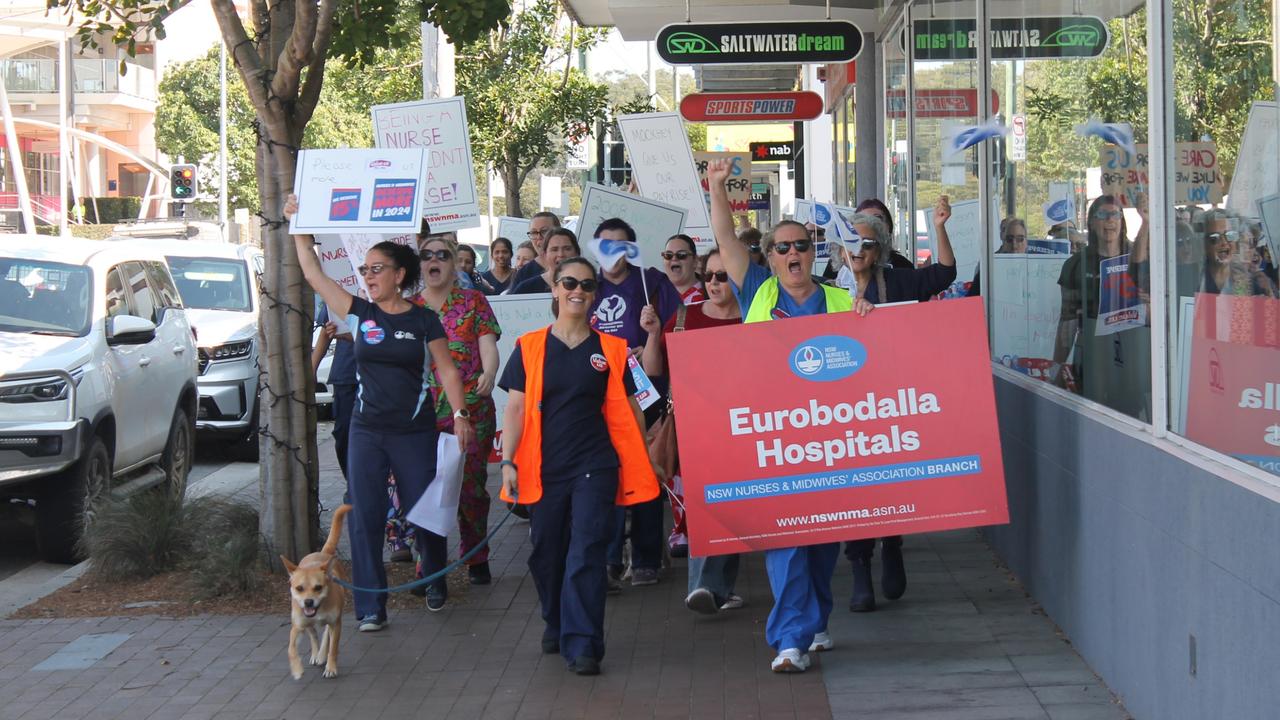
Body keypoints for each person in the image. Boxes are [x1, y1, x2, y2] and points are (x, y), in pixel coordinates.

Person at [709, 159, 874, 674]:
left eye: (801, 244)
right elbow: (725, 238)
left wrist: (870, 321)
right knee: (785, 543)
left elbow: (877, 370)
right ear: (771, 258)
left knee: (822, 545)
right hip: (776, 447)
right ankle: (789, 642)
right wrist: (716, 186)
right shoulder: (756, 288)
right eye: (782, 247)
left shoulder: (843, 299)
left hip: (831, 448)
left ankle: (815, 621)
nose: (792, 253)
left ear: (812, 251)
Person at [284, 194, 475, 632]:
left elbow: (446, 369)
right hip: (367, 431)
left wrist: (461, 414)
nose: (367, 276)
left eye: (376, 269)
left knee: (423, 510)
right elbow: (312, 272)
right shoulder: (360, 311)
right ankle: (370, 608)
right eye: (364, 270)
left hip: (413, 431)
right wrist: (298, 224)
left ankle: (433, 579)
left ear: (398, 274)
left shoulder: (425, 320)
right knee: (364, 513)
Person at [498, 256, 661, 676]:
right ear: (554, 288)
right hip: (544, 468)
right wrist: (508, 462)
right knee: (546, 553)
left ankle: (584, 643)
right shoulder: (529, 346)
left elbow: (632, 408)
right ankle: (555, 619)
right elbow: (515, 409)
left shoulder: (613, 350)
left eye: (587, 285)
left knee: (587, 550)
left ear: (595, 295)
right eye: (569, 282)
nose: (578, 291)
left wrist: (644, 455)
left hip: (596, 465)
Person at [833, 200, 956, 613]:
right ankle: (860, 570)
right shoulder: (825, 291)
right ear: (839, 248)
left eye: (868, 243)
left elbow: (944, 274)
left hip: (889, 407)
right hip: (841, 412)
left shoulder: (899, 283)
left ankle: (891, 543)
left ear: (880, 249)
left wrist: (938, 227)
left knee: (887, 484)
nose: (859, 250)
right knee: (853, 494)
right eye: (851, 242)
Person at [639, 249, 745, 610]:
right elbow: (654, 369)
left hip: (743, 428)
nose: (714, 283)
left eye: (722, 276)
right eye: (709, 276)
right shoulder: (684, 318)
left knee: (733, 506)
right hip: (696, 429)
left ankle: (720, 588)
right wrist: (653, 334)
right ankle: (702, 587)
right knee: (707, 504)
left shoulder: (753, 317)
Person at [590, 217, 682, 590]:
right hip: (598, 394)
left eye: (620, 244)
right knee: (605, 476)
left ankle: (645, 558)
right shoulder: (586, 283)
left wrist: (653, 334)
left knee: (644, 473)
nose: (613, 252)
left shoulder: (653, 282)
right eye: (605, 244)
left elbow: (677, 329)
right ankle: (610, 558)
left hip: (646, 392)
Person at [412, 233, 502, 592]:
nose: (434, 260)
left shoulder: (473, 302)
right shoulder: (407, 308)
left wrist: (490, 374)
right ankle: (429, 562)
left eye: (442, 255)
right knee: (424, 488)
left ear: (453, 264)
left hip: (471, 408)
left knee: (469, 487)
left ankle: (476, 554)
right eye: (426, 255)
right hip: (421, 414)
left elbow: (489, 346)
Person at [1053, 195, 1151, 418]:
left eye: (1115, 214)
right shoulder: (1075, 264)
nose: (1110, 220)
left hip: (1131, 356)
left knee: (1130, 419)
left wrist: (1148, 304)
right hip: (1091, 357)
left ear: (1122, 221)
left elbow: (1159, 317)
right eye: (1103, 215)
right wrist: (1057, 367)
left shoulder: (1141, 259)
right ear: (1091, 223)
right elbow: (1067, 320)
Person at [311, 307, 355, 486]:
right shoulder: (340, 283)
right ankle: (354, 487)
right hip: (347, 375)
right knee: (344, 434)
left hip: (379, 376)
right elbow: (326, 329)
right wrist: (312, 369)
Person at [966, 217, 1027, 297]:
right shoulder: (988, 267)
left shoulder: (1034, 267)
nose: (1014, 245)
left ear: (1026, 241)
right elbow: (972, 299)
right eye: (1009, 239)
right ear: (1003, 238)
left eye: (1020, 239)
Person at [510, 229, 580, 294]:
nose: (561, 254)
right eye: (554, 249)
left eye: (567, 249)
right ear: (545, 254)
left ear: (576, 252)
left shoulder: (587, 284)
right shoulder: (525, 288)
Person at [855, 198, 914, 269]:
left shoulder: (903, 265)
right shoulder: (849, 262)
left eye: (877, 219)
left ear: (888, 225)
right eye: (863, 219)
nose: (871, 224)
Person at [510, 212, 562, 289]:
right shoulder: (524, 274)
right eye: (534, 232)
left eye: (544, 231)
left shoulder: (575, 266)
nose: (539, 237)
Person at [662, 234, 704, 304]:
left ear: (695, 261)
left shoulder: (711, 294)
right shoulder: (655, 295)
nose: (674, 259)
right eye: (668, 255)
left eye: (681, 255)